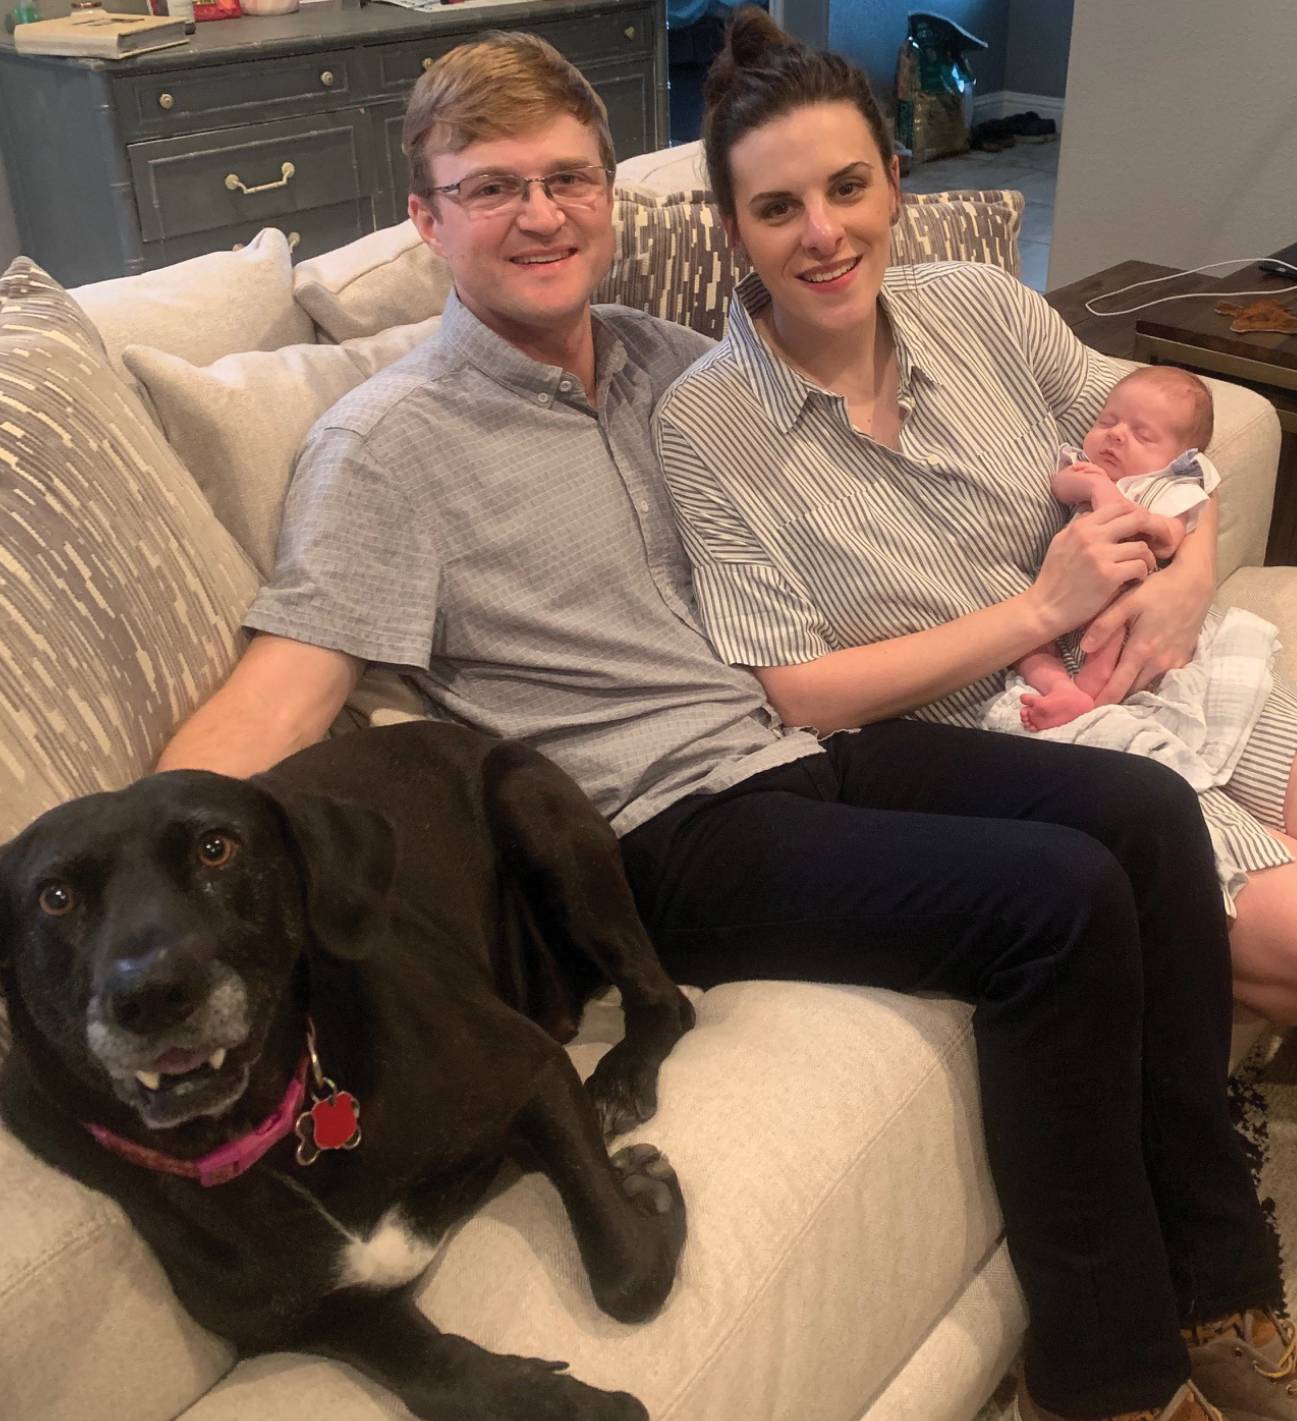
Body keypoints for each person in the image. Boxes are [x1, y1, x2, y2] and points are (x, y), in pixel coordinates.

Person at [157, 24, 1292, 1421]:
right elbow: (286, 687)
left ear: (610, 200)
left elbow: (883, 389)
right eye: (493, 186)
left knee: (1139, 813)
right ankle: (1105, 1378)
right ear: (425, 215)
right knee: (1052, 901)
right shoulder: (386, 447)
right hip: (654, 829)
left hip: (799, 757)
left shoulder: (657, 363)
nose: (542, 213)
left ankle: (1219, 1268)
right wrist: (118, 889)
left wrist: (1170, 546)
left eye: (569, 177)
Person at [653, 10, 1297, 1027]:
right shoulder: (704, 422)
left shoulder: (979, 304)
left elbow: (1170, 438)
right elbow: (801, 693)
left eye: (848, 187)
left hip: (1171, 665)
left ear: (896, 182)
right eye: (777, 208)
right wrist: (1042, 610)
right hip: (1030, 753)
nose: (823, 233)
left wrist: (1184, 574)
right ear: (732, 231)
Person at [1016, 365, 1220, 731]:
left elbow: (1172, 535)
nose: (1117, 435)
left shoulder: (1165, 488)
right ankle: (1061, 689)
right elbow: (1060, 486)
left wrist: (1139, 518)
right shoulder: (1084, 467)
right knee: (1026, 647)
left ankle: (1089, 697)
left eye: (1142, 435)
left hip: (1122, 595)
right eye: (1107, 421)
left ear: (1176, 459)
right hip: (1058, 592)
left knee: (1114, 631)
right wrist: (1096, 487)